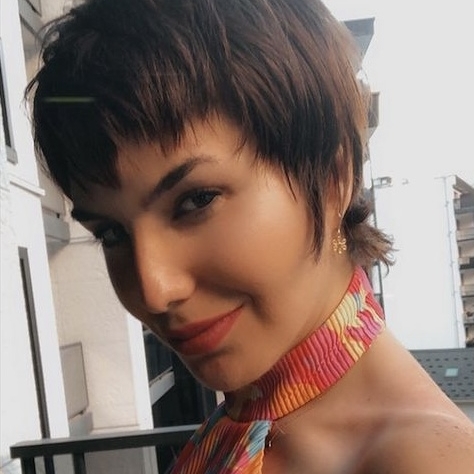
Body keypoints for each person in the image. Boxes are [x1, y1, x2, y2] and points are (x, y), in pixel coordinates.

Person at [26, 0, 474, 472]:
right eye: (112, 233)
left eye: (197, 200)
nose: (154, 291)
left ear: (334, 178)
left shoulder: (430, 461)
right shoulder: (247, 422)